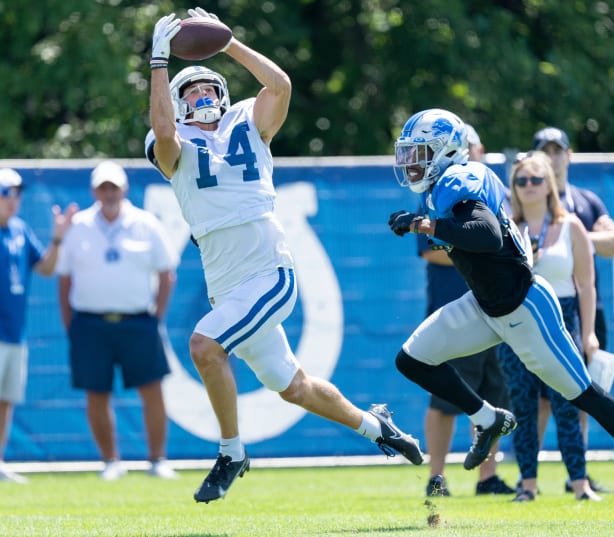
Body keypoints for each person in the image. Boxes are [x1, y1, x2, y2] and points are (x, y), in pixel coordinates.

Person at [145, 8, 423, 504]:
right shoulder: (173, 141)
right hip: (226, 281)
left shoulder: (247, 123)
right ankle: (375, 427)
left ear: (224, 94)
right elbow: (164, 134)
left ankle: (231, 452)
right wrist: (160, 62)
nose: (203, 96)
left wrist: (227, 43)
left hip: (270, 269)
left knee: (205, 347)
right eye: (191, 93)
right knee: (292, 386)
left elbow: (281, 86)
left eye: (209, 89)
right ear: (177, 103)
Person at [387, 107, 614, 522]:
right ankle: (488, 419)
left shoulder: (458, 179)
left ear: (447, 151)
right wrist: (426, 222)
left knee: (583, 394)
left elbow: (484, 235)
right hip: (484, 305)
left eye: (420, 152)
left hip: (525, 308)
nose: (411, 162)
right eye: (409, 153)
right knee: (411, 359)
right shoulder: (448, 182)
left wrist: (424, 225)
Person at [56, 161, 178, 481]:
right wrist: (72, 325)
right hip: (90, 323)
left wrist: (156, 317)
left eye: (114, 187)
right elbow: (65, 279)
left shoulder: (145, 223)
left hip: (138, 321)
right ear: (94, 191)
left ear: (124, 189)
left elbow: (166, 273)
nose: (109, 193)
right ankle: (110, 461)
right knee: (96, 393)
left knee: (151, 390)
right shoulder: (78, 225)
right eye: (103, 187)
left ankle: (157, 460)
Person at [498, 151, 599, 502]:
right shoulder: (505, 228)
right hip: (518, 322)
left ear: (549, 186)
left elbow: (586, 285)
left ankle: (580, 484)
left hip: (562, 319)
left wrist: (588, 333)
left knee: (568, 406)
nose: (528, 186)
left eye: (535, 180)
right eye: (521, 181)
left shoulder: (571, 226)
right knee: (523, 407)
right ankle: (527, 485)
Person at [419, 125, 513, 497]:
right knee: (445, 400)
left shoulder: (489, 188)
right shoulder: (437, 189)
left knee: (495, 396)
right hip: (456, 308)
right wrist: (470, 245)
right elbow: (429, 248)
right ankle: (436, 477)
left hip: (497, 307)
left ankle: (487, 476)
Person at [532, 126, 614, 492]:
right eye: (545, 150)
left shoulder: (585, 202)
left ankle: (577, 476)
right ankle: (529, 477)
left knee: (583, 394)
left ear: (568, 156)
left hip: (585, 310)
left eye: (558, 150)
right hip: (540, 312)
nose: (552, 158)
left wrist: (573, 234)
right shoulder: (526, 200)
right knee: (538, 401)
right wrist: (581, 237)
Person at [0, 168, 76, 483]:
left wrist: (58, 238)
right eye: (7, 193)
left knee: (5, 402)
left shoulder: (20, 230)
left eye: (17, 194)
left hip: (15, 333)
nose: (13, 200)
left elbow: (46, 268)